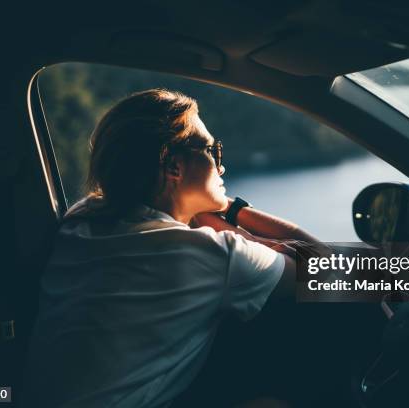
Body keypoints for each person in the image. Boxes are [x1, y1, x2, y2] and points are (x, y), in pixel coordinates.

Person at [22, 89, 322, 407]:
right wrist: (232, 209)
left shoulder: (81, 220)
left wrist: (197, 211)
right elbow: (323, 267)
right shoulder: (209, 255)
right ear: (174, 166)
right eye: (211, 152)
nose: (221, 168)